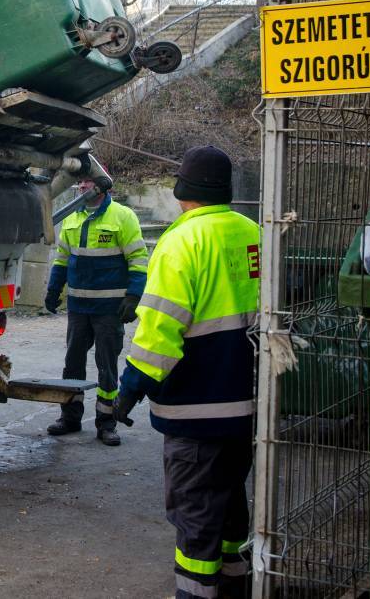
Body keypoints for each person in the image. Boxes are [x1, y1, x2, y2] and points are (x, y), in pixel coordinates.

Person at [113, 146, 259, 599]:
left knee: (195, 516)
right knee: (230, 504)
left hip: (197, 410)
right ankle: (236, 587)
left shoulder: (182, 242)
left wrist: (129, 390)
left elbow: (159, 332)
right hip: (249, 405)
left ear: (182, 190)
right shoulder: (254, 233)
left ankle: (195, 593)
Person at [44, 174, 149, 446]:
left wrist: (134, 296)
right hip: (78, 308)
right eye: (79, 182)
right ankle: (70, 417)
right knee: (73, 364)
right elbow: (62, 260)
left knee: (107, 367)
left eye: (87, 182)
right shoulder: (71, 217)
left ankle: (106, 423)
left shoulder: (122, 216)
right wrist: (53, 290)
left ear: (101, 185)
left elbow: (138, 259)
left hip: (109, 310)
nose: (82, 186)